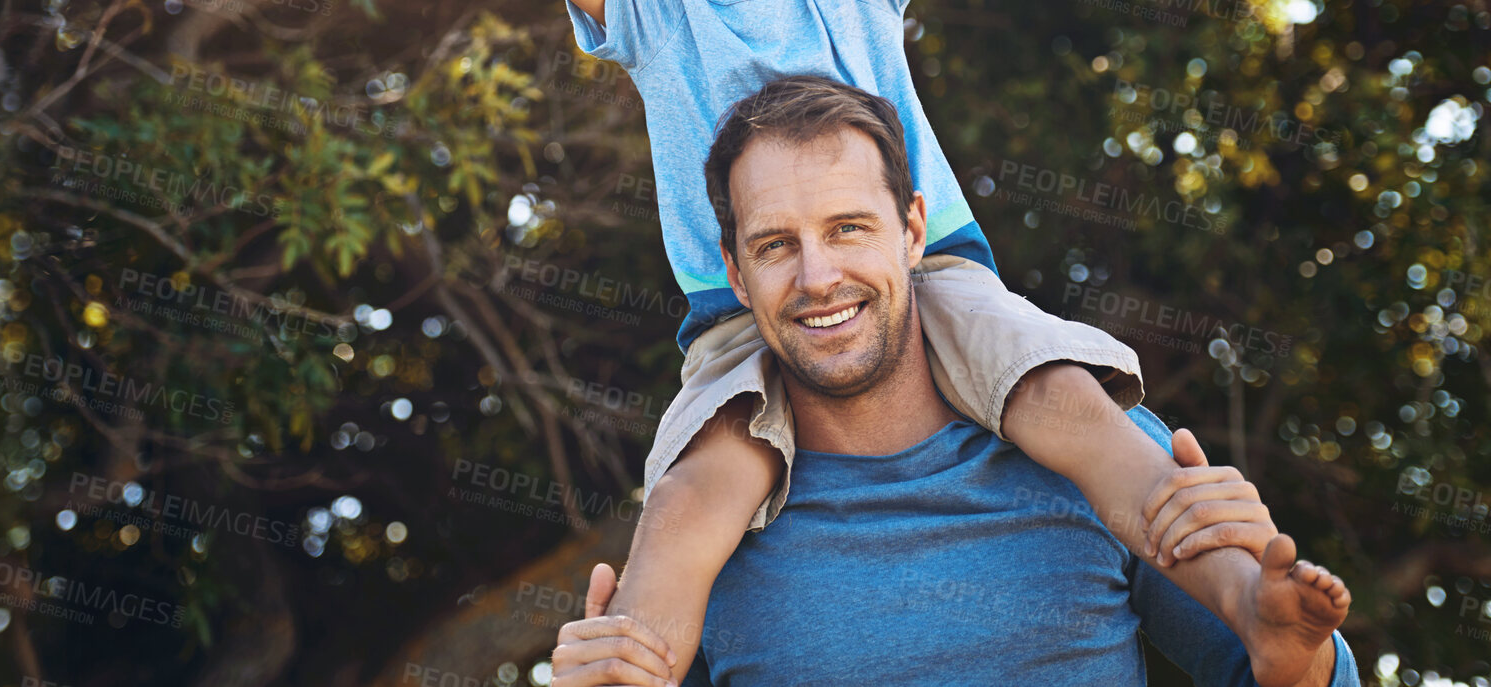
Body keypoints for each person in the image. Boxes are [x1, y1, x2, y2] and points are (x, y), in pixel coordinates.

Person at [255, 0, 1338, 684]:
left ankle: (1229, 585)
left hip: (931, 279)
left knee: (1056, 399)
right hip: (737, 320)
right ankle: (633, 663)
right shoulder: (655, 8)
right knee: (696, 489)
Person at [550, 76, 1355, 686]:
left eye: (848, 228)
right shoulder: (711, 519)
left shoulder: (1091, 447)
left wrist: (1301, 665)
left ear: (910, 231)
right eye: (775, 246)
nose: (818, 275)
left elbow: (1271, 657)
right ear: (734, 270)